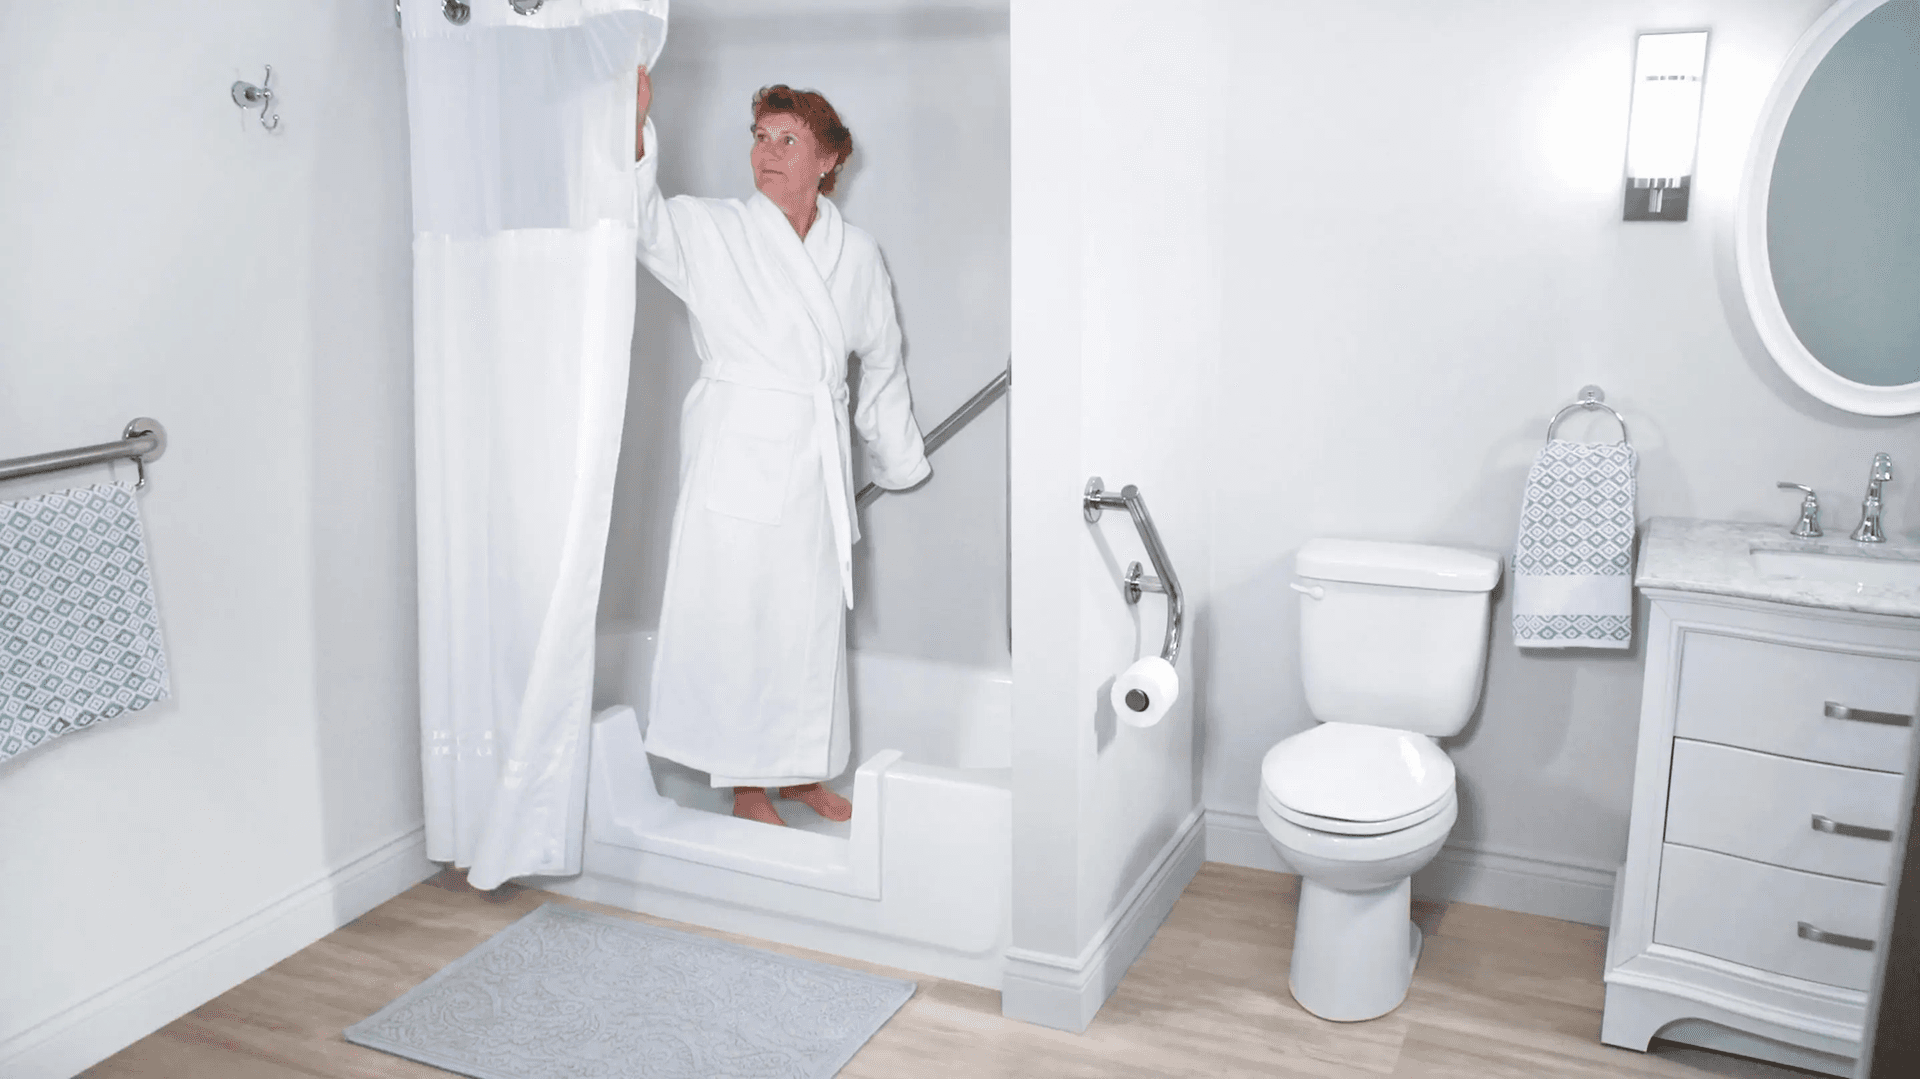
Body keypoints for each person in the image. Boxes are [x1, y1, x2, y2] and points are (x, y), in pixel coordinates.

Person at [630, 67, 930, 827]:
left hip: (814, 460)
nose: (767, 153)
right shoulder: (715, 228)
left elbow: (882, 359)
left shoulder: (856, 254)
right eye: (761, 137)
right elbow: (642, 224)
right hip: (738, 448)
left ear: (828, 159)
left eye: (788, 139)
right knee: (741, 615)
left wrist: (893, 454)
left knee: (808, 621)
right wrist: (633, 131)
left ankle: (798, 772)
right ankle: (747, 784)